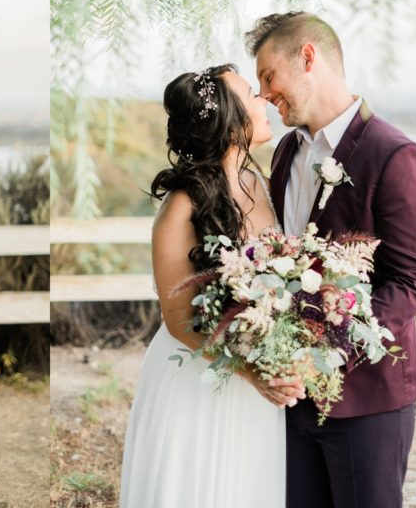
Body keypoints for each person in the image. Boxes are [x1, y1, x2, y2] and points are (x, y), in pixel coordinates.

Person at [248, 11, 416, 508]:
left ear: (307, 57)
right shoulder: (286, 152)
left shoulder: (395, 154)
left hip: (369, 398)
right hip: (291, 401)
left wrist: (324, 352)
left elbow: (414, 281)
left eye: (269, 76)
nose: (264, 94)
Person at [120, 64, 306, 508]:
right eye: (250, 93)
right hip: (198, 381)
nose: (263, 97)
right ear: (228, 118)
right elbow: (180, 319)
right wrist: (251, 373)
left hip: (255, 389)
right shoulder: (182, 206)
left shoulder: (262, 182)